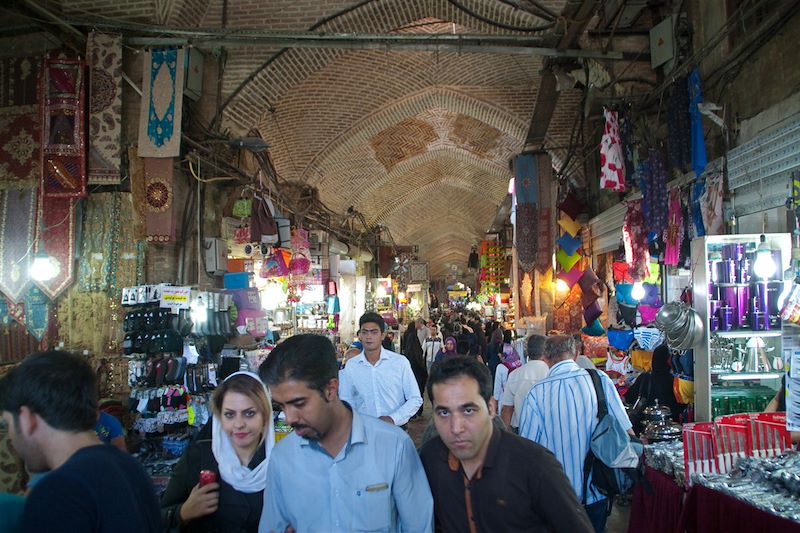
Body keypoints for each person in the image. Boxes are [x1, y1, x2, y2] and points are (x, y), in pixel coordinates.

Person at [258, 334, 433, 532]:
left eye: (299, 403)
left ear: (331, 389)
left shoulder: (394, 446)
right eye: (281, 406)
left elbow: (419, 526)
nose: (289, 418)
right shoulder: (283, 458)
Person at [419, 356, 594, 532]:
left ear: (491, 408)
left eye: (468, 410)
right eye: (443, 413)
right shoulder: (431, 458)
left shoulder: (536, 466)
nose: (456, 428)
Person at [0, 351, 160, 532]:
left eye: (7, 423)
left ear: (26, 419)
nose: (11, 438)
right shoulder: (130, 467)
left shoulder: (57, 492)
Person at [519, 336, 633, 533]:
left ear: (546, 357)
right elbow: (626, 430)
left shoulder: (537, 394)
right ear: (576, 354)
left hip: (555, 495)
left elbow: (528, 452)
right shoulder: (600, 380)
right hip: (597, 489)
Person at [161, 371, 274, 532]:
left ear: (265, 417)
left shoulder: (279, 464)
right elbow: (156, 519)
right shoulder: (197, 457)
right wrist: (183, 512)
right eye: (229, 415)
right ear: (219, 418)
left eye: (249, 413)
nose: (239, 424)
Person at [339, 312, 423, 427]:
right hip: (364, 431)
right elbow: (346, 400)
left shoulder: (399, 363)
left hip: (395, 430)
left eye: (374, 332)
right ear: (360, 336)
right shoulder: (352, 366)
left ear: (383, 335)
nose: (369, 337)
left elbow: (415, 399)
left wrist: (393, 419)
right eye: (365, 332)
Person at [500, 334, 549, 431]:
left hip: (521, 430)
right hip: (547, 430)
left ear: (527, 352)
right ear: (546, 351)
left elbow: (507, 409)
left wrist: (506, 436)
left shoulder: (515, 375)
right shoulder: (551, 373)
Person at [402, 323, 428, 419]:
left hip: (411, 367)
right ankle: (416, 411)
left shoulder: (408, 336)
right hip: (415, 368)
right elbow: (416, 353)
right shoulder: (412, 338)